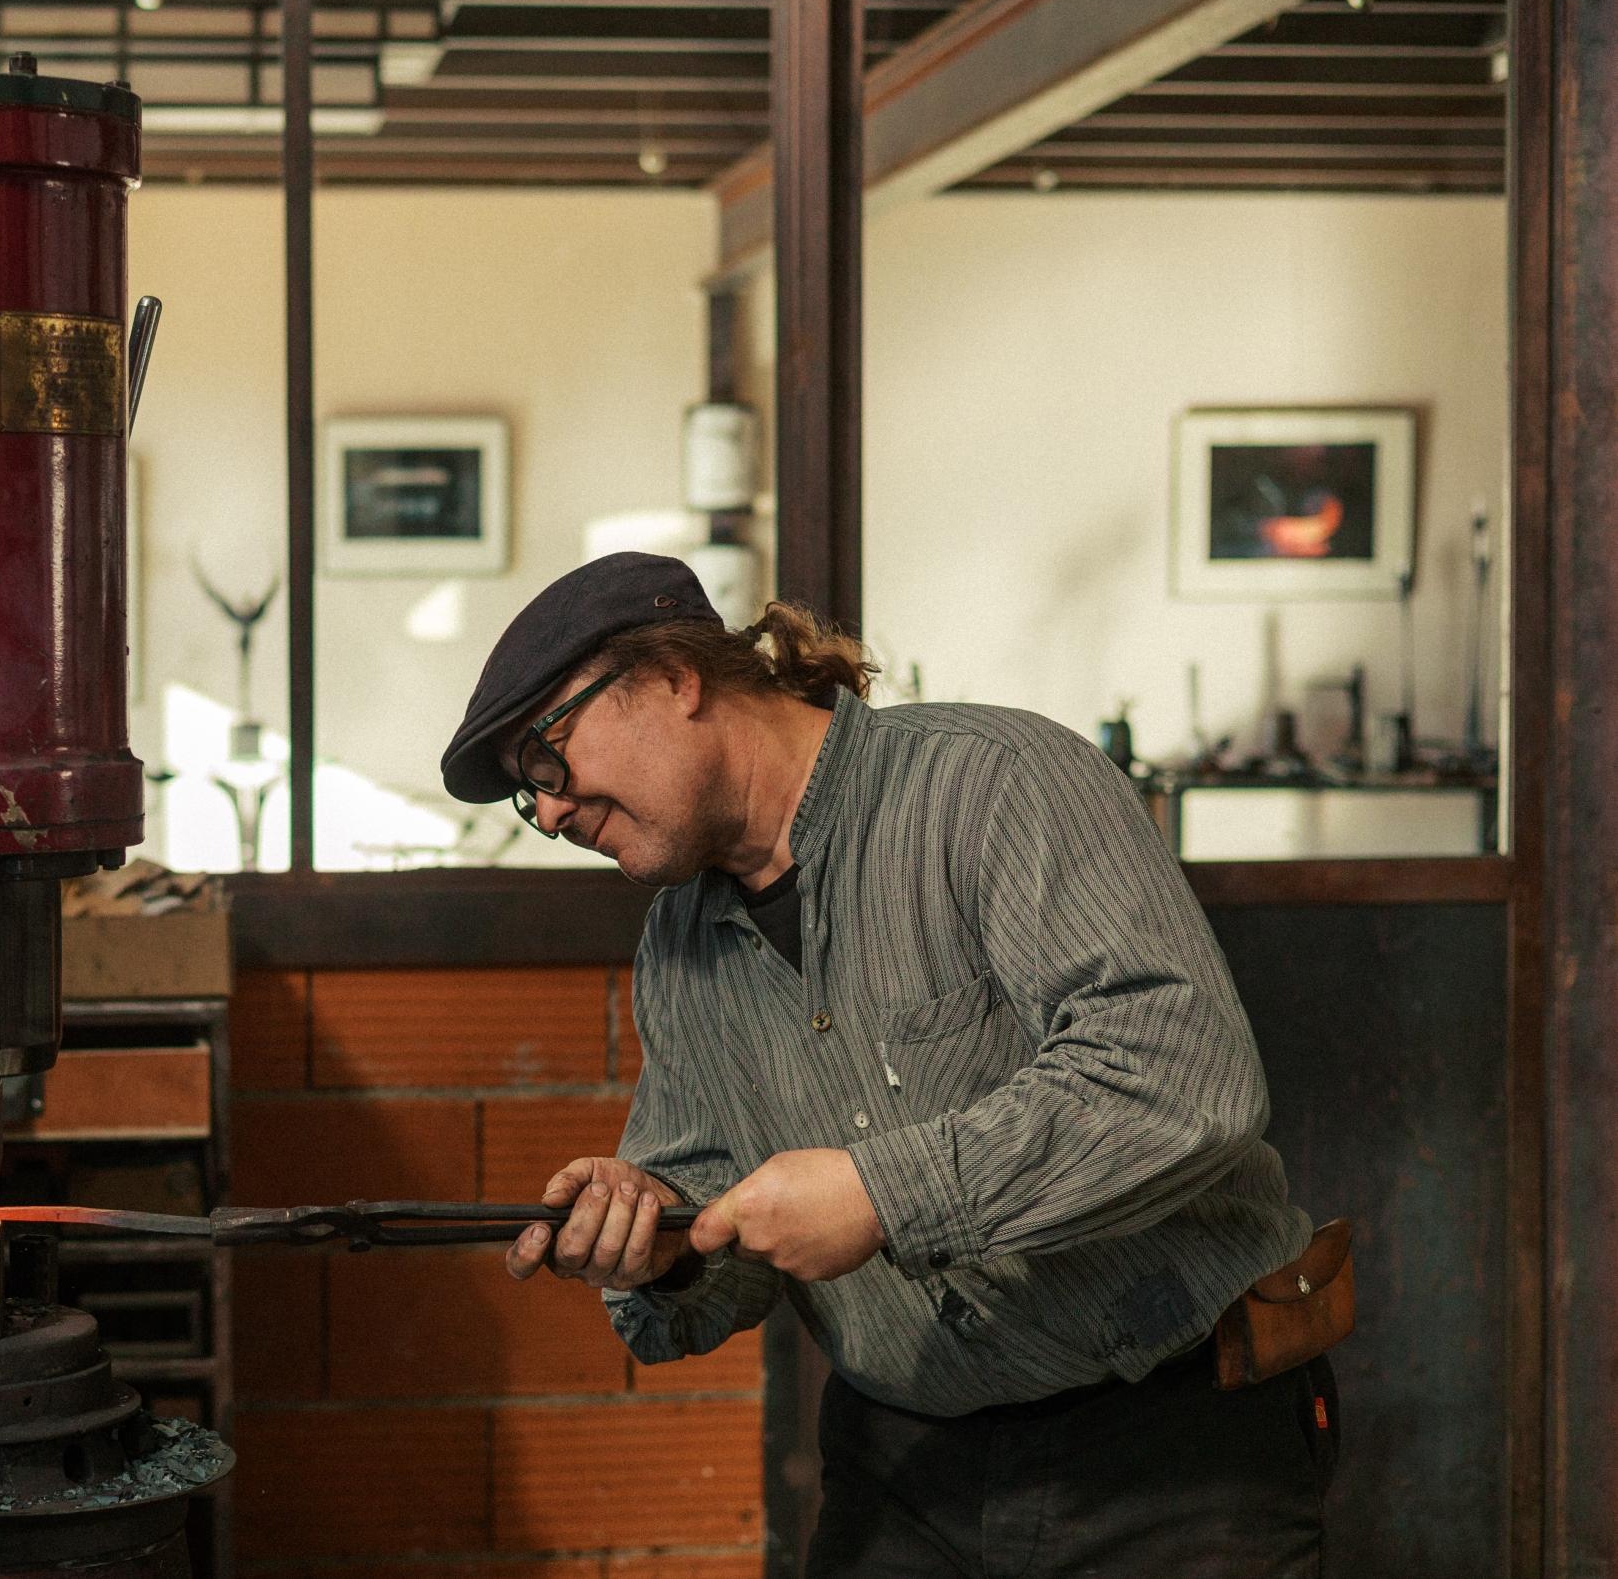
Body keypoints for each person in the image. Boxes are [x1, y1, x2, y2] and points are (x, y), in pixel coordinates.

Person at [439, 552, 1340, 1578]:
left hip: (1172, 1455)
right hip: (903, 1466)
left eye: (546, 759)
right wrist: (664, 1240)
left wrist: (881, 1192)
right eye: (526, 795)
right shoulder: (676, 946)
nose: (549, 812)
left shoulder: (995, 783)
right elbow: (714, 1247)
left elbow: (1180, 1073)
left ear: (672, 678)